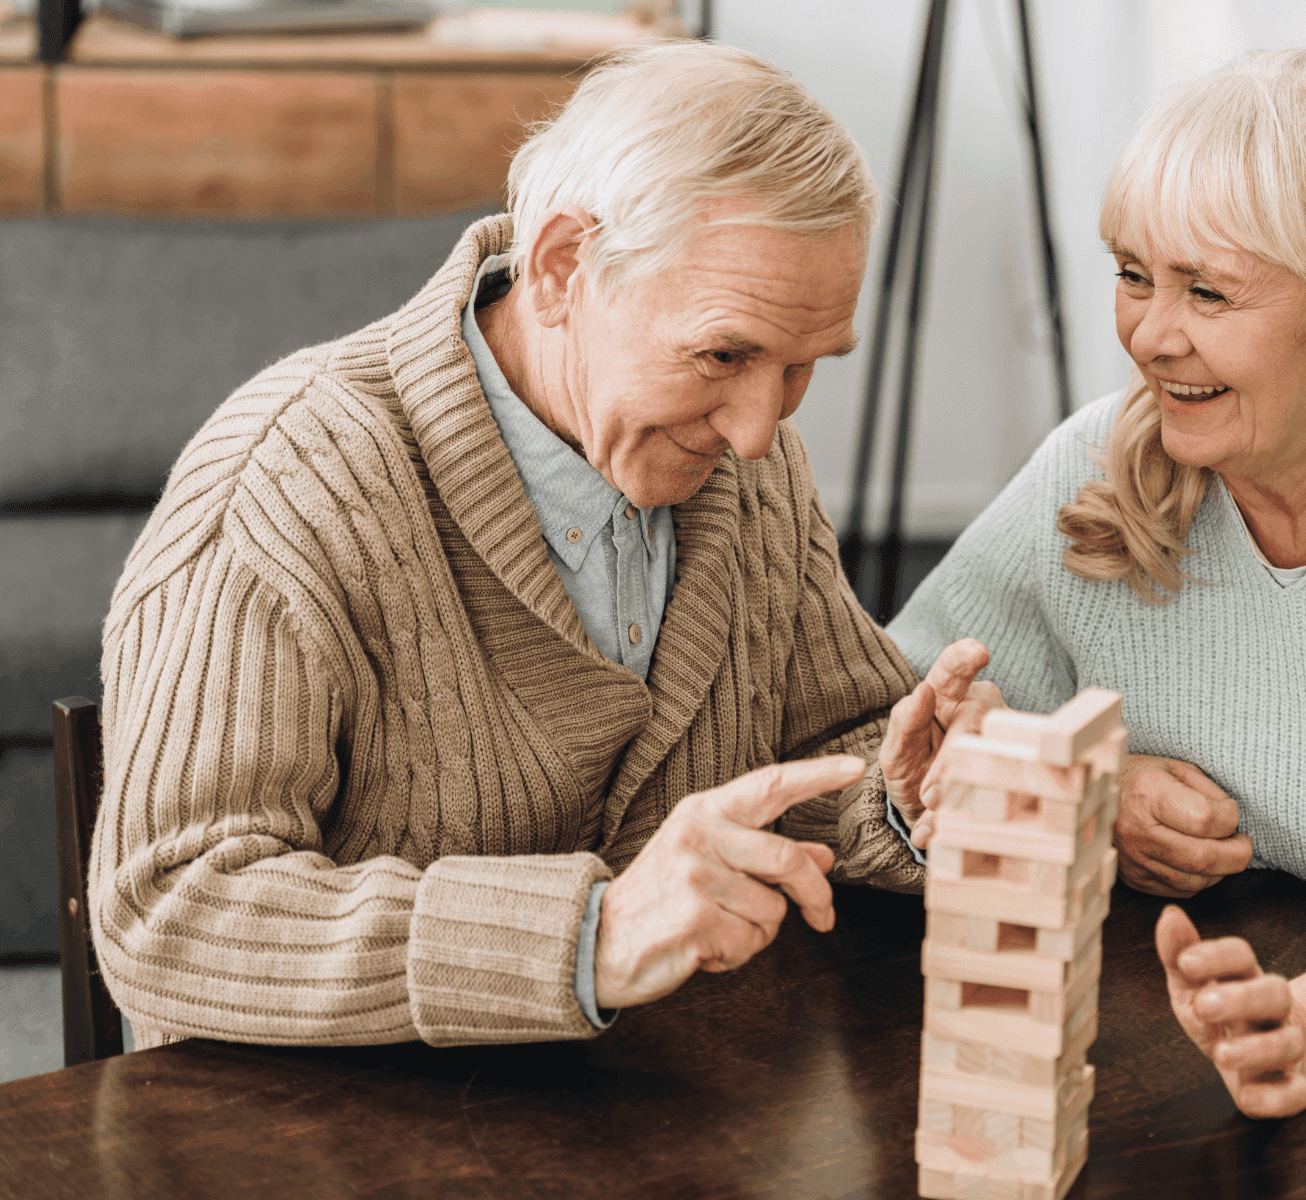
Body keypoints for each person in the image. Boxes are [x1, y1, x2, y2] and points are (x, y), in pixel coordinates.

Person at [90, 40, 982, 1051]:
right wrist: (585, 938)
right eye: (722, 355)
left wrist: (901, 797)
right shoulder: (286, 486)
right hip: (327, 1134)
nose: (755, 428)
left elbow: (827, 745)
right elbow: (170, 911)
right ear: (561, 268)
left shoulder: (751, 463)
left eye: (800, 367)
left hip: (660, 1110)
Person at [886, 48, 1306, 1119]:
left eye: (1206, 291)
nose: (1150, 335)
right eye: (1132, 274)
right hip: (1144, 1052)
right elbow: (877, 733)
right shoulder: (1091, 472)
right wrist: (1079, 789)